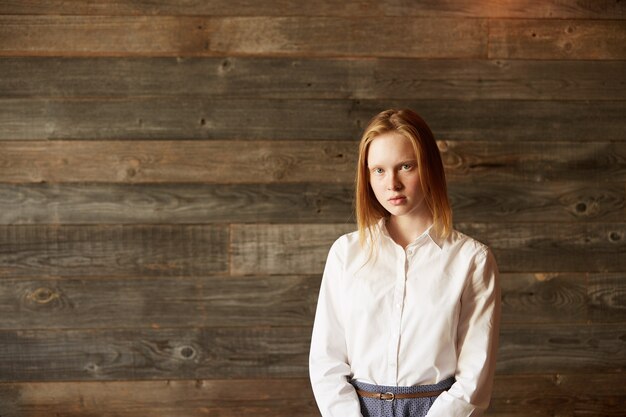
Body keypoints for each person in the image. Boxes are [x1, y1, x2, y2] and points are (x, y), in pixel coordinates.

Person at [309, 109, 501, 417]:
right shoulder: (346, 253)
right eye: (379, 171)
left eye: (406, 166)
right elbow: (326, 361)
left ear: (430, 168)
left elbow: (475, 377)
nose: (392, 184)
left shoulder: (472, 260)